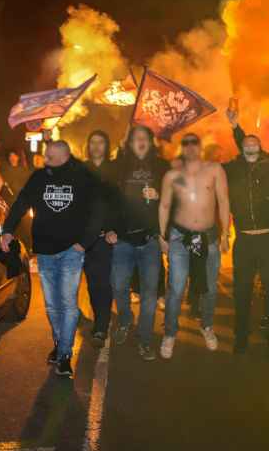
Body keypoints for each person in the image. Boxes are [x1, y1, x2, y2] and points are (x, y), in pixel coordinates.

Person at [0, 140, 103, 378]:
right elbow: (22, 202)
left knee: (68, 303)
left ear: (64, 156)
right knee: (51, 305)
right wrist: (8, 229)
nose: (45, 160)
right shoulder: (39, 177)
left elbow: (97, 211)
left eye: (50, 157)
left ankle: (65, 354)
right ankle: (59, 343)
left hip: (71, 252)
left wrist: (83, 243)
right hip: (45, 251)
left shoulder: (81, 178)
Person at [157, 133, 230, 360]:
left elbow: (224, 201)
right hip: (180, 237)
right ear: (182, 148)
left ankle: (207, 325)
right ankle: (170, 333)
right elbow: (164, 205)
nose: (190, 146)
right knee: (176, 288)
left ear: (200, 146)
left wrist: (226, 233)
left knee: (209, 287)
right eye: (186, 143)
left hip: (208, 238)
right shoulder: (172, 175)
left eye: (193, 142)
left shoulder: (215, 170)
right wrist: (162, 236)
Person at [224, 107, 269, 360]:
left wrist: (238, 129)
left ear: (260, 149)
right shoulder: (233, 168)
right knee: (242, 291)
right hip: (245, 241)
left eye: (254, 144)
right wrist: (235, 128)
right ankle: (241, 338)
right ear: (241, 148)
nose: (250, 146)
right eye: (246, 144)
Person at [104, 125, 169, 361]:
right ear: (129, 144)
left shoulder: (161, 166)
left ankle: (145, 339)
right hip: (123, 239)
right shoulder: (119, 167)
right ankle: (124, 319)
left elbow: (174, 198)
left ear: (151, 142)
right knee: (118, 285)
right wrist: (108, 228)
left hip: (150, 240)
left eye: (144, 138)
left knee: (149, 293)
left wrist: (159, 195)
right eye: (136, 139)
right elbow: (107, 199)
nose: (140, 141)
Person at [82, 130, 116, 348]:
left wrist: (114, 228)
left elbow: (119, 203)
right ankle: (100, 318)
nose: (96, 146)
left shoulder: (114, 170)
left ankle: (102, 326)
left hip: (106, 237)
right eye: (92, 142)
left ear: (106, 145)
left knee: (104, 283)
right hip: (85, 238)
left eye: (100, 142)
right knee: (93, 284)